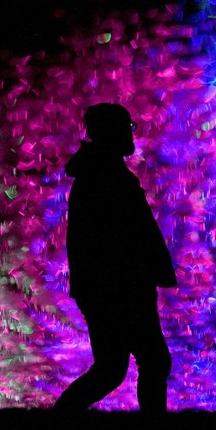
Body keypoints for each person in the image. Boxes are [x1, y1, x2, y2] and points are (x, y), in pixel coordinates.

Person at [54, 102, 177, 413]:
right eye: (127, 126)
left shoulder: (101, 171)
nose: (131, 133)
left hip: (108, 284)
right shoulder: (105, 175)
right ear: (112, 132)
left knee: (113, 367)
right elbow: (123, 234)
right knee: (149, 360)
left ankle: (54, 425)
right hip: (119, 284)